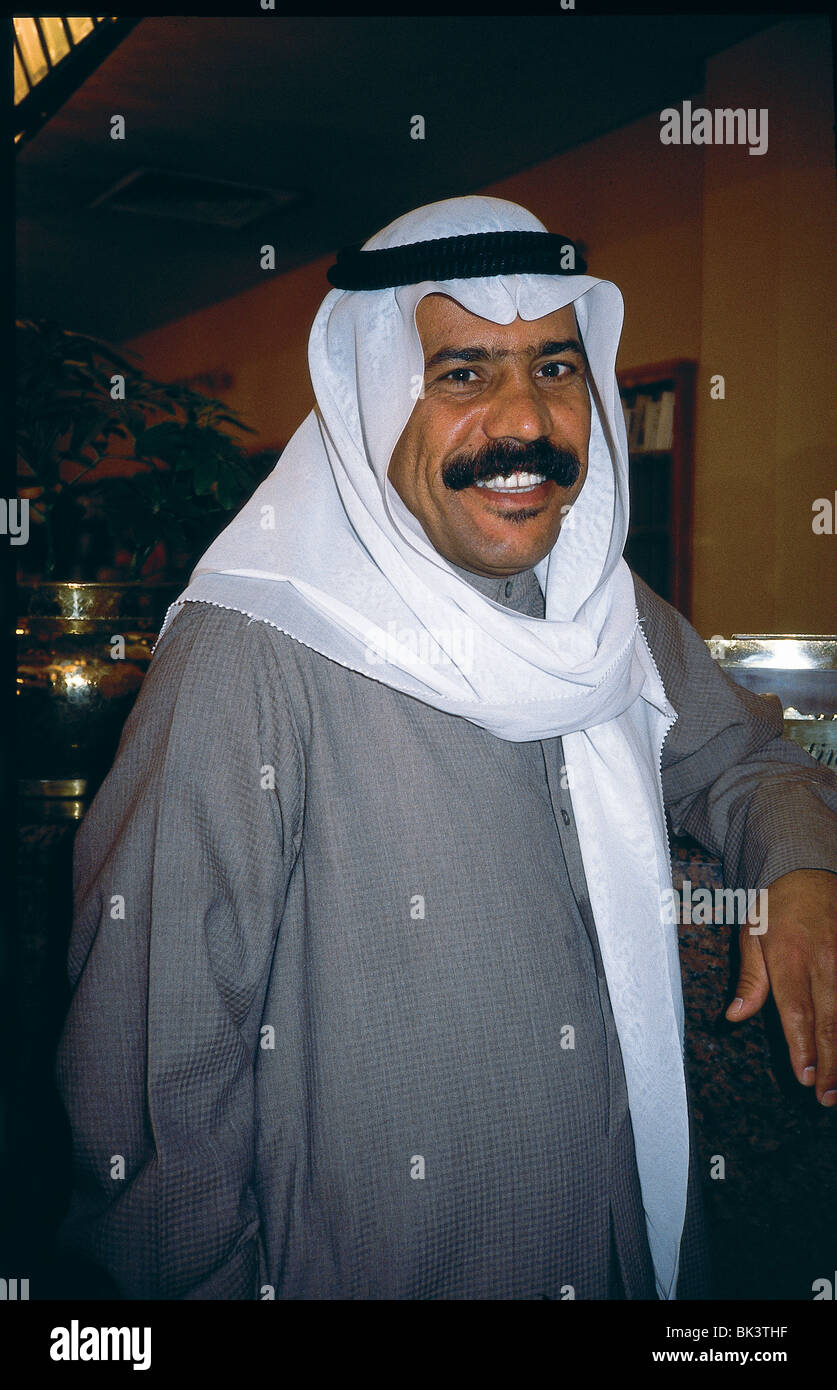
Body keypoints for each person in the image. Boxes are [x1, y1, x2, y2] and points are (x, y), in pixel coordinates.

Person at [54, 195, 837, 1302]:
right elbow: (151, 1071)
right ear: (377, 400)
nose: (525, 423)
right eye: (463, 373)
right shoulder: (253, 655)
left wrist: (801, 867)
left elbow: (747, 756)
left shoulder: (606, 608)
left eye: (555, 368)